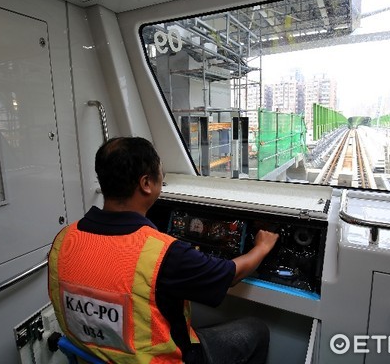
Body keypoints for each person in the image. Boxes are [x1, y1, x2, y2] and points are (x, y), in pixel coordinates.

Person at [48, 136, 279, 364]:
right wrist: (261, 247)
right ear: (146, 183)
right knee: (256, 330)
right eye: (162, 175)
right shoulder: (162, 254)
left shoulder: (63, 240)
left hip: (93, 356)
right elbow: (230, 275)